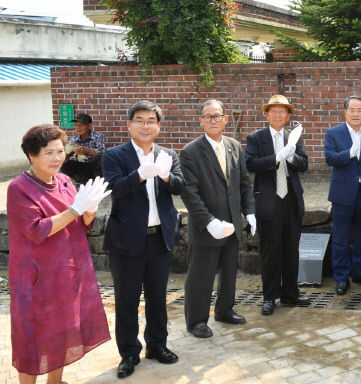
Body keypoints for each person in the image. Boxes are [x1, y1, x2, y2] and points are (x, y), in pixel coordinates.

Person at [7, 124, 110, 384]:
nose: (57, 158)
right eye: (49, 153)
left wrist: (90, 209)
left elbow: (81, 222)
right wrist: (75, 210)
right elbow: (36, 229)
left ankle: (55, 381)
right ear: (32, 155)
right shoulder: (19, 188)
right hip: (35, 277)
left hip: (66, 271)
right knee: (32, 336)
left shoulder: (64, 181)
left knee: (62, 331)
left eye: (60, 151)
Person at [102, 101, 185, 378]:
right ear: (129, 125)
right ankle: (128, 353)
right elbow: (113, 189)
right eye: (140, 120)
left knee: (158, 296)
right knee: (126, 299)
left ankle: (157, 345)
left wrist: (164, 176)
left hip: (159, 237)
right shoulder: (114, 155)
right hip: (126, 239)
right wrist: (138, 175)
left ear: (158, 126)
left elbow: (180, 185)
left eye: (151, 121)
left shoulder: (168, 154)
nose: (146, 125)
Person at [180, 100, 256, 338]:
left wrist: (249, 211)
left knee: (229, 271)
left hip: (232, 223)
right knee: (201, 275)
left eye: (217, 116)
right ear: (201, 121)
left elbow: (244, 183)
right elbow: (189, 193)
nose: (213, 120)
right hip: (206, 227)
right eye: (208, 117)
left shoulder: (234, 146)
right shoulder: (190, 152)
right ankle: (196, 321)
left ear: (225, 119)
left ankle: (225, 310)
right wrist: (208, 221)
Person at [245, 94, 309, 315]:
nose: (278, 114)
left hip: (291, 198)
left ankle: (291, 295)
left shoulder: (294, 136)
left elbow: (304, 164)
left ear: (288, 115)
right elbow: (250, 163)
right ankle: (269, 297)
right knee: (271, 251)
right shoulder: (256, 137)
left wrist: (290, 157)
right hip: (268, 200)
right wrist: (275, 158)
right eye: (274, 111)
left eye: (283, 111)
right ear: (267, 114)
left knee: (291, 249)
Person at [324, 96, 361, 295]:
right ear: (345, 112)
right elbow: (330, 158)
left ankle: (360, 272)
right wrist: (349, 153)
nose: (356, 113)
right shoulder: (333, 133)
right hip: (342, 193)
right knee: (340, 237)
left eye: (360, 110)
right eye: (352, 110)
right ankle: (341, 278)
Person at [61, 113, 106, 184]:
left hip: (94, 167)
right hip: (81, 166)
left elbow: (102, 152)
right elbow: (66, 157)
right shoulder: (73, 139)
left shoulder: (98, 136)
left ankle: (97, 182)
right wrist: (67, 153)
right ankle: (82, 182)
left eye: (81, 125)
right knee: (65, 165)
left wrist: (86, 150)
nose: (78, 128)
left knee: (101, 158)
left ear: (89, 125)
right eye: (76, 125)